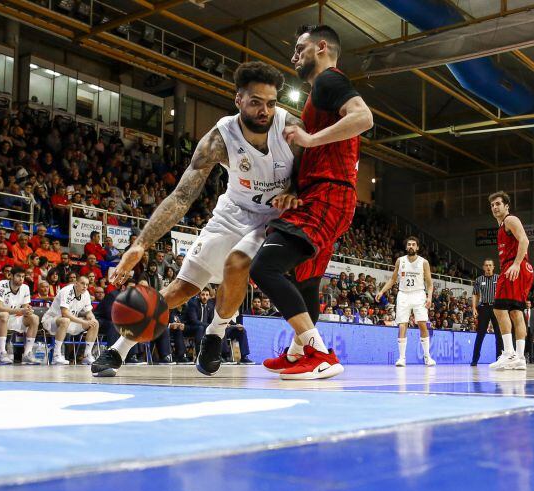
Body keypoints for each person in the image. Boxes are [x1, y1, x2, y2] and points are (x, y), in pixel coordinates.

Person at [98, 61, 302, 377]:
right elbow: (181, 197)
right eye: (256, 102)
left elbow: (315, 172)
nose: (265, 111)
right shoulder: (220, 139)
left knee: (238, 263)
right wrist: (141, 244)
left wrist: (294, 188)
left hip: (271, 220)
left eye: (271, 103)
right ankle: (117, 351)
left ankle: (215, 332)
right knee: (181, 288)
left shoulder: (290, 129)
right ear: (239, 100)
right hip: (232, 211)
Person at [250, 24, 373, 381]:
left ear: (321, 47)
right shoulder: (317, 93)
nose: (293, 56)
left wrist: (310, 138)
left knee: (265, 267)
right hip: (320, 194)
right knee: (307, 282)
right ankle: (296, 353)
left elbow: (364, 117)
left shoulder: (328, 81)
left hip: (330, 194)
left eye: (299, 48)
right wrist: (293, 187)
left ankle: (319, 352)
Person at [488, 191, 533, 371]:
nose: (495, 207)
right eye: (492, 205)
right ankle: (520, 357)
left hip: (515, 266)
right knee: (516, 312)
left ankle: (508, 353)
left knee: (499, 309)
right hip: (524, 268)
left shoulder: (510, 220)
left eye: (498, 203)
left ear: (507, 206)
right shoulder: (502, 226)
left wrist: (515, 264)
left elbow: (525, 240)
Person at [376, 236, 435, 367]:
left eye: (413, 244)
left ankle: (427, 356)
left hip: (419, 293)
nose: (411, 246)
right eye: (409, 244)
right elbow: (392, 280)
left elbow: (430, 284)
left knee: (422, 323)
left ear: (417, 247)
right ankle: (402, 358)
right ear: (406, 247)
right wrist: (382, 291)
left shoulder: (424, 262)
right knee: (402, 324)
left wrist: (429, 297)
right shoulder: (400, 261)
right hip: (403, 294)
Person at [0, 266, 39, 364]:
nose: (21, 279)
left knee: (34, 318)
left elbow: (25, 307)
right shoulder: (0, 285)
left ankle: (27, 354)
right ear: (10, 276)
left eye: (23, 277)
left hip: (14, 318)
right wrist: (21, 310)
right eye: (18, 276)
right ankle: (2, 353)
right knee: (4, 315)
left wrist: (28, 310)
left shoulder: (25, 288)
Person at [42, 275, 99, 366]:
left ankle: (87, 355)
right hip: (51, 320)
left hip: (69, 323)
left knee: (95, 323)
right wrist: (84, 322)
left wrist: (91, 318)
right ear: (76, 283)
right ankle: (56, 356)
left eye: (87, 284)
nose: (85, 286)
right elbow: (65, 313)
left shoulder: (86, 294)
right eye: (82, 283)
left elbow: (89, 312)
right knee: (65, 320)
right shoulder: (67, 291)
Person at [469, 259, 502, 366]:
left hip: (497, 307)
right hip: (484, 307)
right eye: (486, 265)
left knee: (499, 335)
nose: (488, 267)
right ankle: (474, 360)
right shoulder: (479, 279)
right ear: (483, 267)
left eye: (490, 265)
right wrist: (474, 308)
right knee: (480, 334)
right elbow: (475, 294)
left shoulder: (499, 278)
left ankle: (499, 359)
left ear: (493, 267)